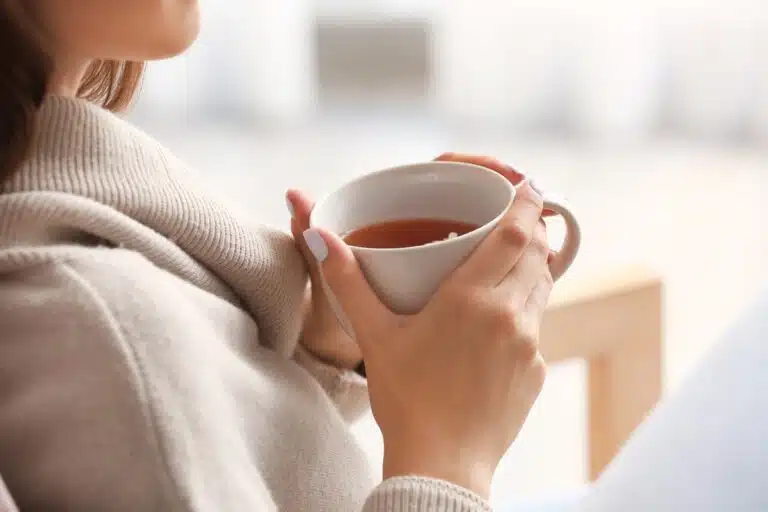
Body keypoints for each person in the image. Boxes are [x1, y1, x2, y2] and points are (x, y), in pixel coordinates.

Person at [0, 2, 555, 511]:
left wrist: (325, 342)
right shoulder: (102, 331)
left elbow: (230, 459)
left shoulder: (85, 239)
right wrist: (448, 461)